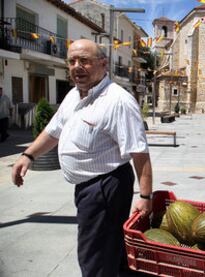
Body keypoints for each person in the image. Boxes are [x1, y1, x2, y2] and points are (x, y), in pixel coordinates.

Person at [11, 39, 153, 277]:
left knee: (94, 257)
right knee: (110, 251)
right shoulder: (73, 96)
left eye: (84, 60)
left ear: (103, 64)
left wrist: (146, 197)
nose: (77, 66)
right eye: (72, 61)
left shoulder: (118, 100)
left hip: (106, 187)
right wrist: (28, 155)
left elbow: (139, 152)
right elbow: (53, 130)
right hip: (87, 188)